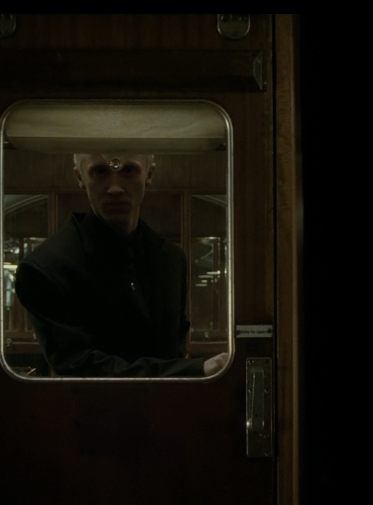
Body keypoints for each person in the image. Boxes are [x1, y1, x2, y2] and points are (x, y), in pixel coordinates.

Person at [13, 152, 230, 377]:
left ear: (149, 174)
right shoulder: (47, 267)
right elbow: (80, 367)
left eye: (129, 170)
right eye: (100, 172)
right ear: (80, 177)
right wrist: (195, 370)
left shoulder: (171, 259)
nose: (115, 188)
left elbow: (174, 349)